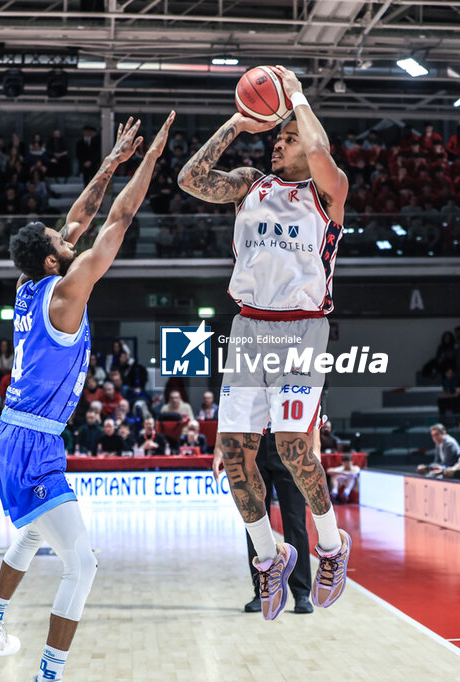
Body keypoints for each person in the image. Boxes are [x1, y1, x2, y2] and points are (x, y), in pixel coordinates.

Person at [0, 112, 174, 682]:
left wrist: (111, 162)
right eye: (61, 240)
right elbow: (118, 218)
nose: (68, 233)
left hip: (13, 432)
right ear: (55, 261)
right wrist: (151, 160)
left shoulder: (29, 284)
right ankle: (48, 674)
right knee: (82, 563)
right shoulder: (66, 295)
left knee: (33, 532)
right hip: (32, 440)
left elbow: (80, 216)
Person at [178, 66, 350, 620]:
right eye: (276, 137)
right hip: (249, 326)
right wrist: (237, 122)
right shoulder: (252, 184)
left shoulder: (328, 191)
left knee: (295, 449)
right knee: (234, 454)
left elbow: (319, 147)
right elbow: (190, 178)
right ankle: (268, 556)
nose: (278, 143)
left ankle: (330, 546)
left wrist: (296, 96)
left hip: (302, 327)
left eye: (287, 138)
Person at [236, 430, 314, 616]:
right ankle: (262, 591)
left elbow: (314, 415)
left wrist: (315, 448)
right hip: (254, 441)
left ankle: (302, 594)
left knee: (295, 522)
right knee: (256, 523)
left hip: (290, 440)